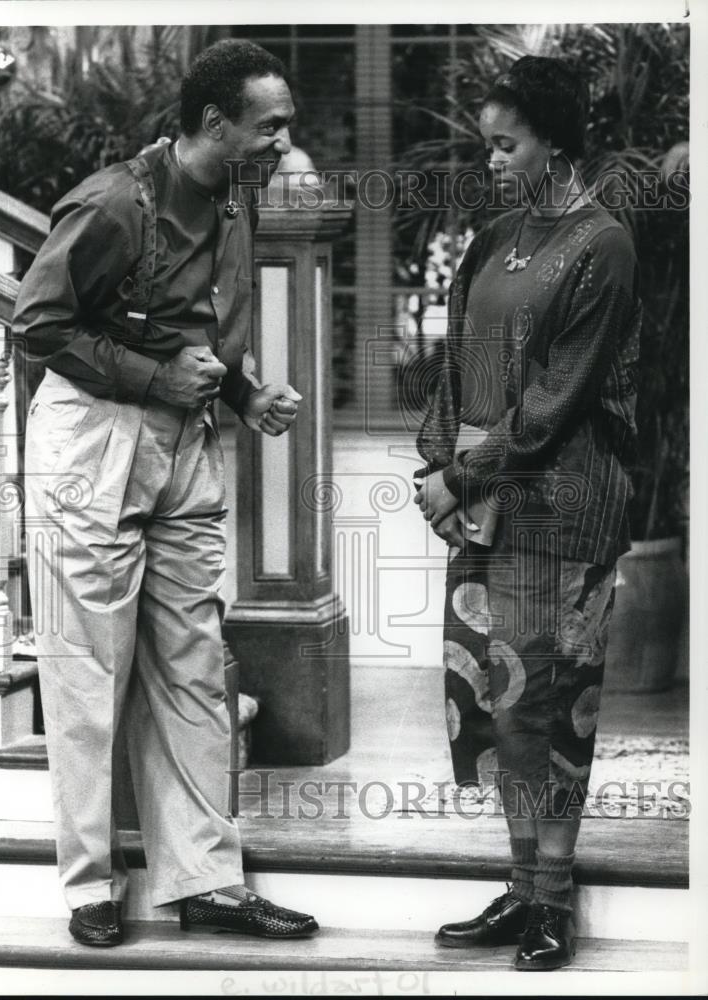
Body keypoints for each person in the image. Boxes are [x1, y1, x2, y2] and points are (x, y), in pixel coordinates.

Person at [13, 39, 318, 947]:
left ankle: (206, 879)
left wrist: (243, 392)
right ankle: (89, 887)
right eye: (269, 125)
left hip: (184, 442)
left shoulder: (233, 197)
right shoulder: (112, 203)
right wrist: (154, 383)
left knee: (192, 664)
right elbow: (36, 324)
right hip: (94, 444)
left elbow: (196, 330)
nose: (283, 140)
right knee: (88, 674)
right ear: (213, 123)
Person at [414, 56, 640, 971]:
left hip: (564, 503)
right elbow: (453, 364)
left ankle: (555, 897)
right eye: (488, 144)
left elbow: (558, 400)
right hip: (487, 504)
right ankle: (517, 889)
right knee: (495, 698)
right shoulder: (494, 232)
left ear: (553, 136)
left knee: (553, 703)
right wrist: (439, 468)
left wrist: (463, 474)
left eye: (506, 144)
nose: (494, 160)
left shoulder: (604, 244)